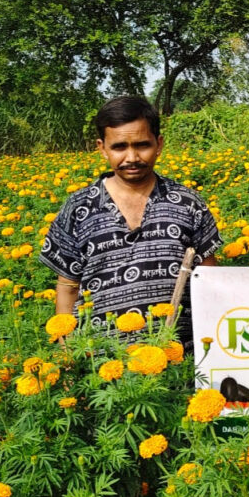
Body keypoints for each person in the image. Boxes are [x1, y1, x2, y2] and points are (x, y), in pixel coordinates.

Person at [40, 96, 222, 350]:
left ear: (158, 144)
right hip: (100, 359)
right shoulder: (79, 208)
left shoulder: (186, 203)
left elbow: (211, 280)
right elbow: (68, 286)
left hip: (179, 357)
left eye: (142, 145)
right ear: (102, 148)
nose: (132, 157)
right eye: (119, 147)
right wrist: (67, 352)